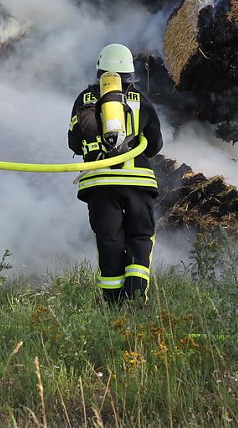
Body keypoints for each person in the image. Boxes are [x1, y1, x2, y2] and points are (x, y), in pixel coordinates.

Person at [68, 43, 164, 305]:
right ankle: (135, 299)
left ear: (100, 70)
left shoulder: (85, 99)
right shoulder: (141, 101)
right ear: (129, 74)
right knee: (140, 237)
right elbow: (155, 145)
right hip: (138, 183)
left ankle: (112, 305)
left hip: (100, 183)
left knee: (109, 240)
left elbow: (74, 143)